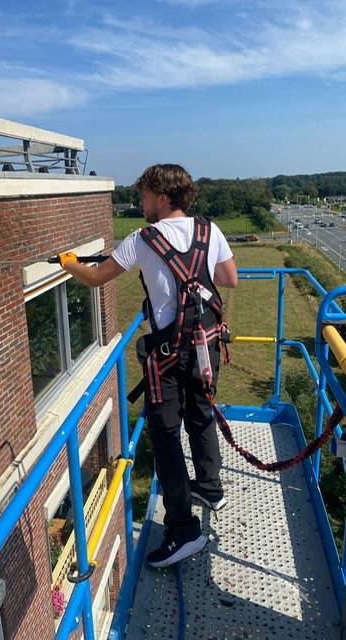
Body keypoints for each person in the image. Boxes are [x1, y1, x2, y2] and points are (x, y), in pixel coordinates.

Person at [57, 164, 238, 568]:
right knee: (202, 413)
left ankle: (183, 530)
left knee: (166, 436)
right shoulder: (209, 230)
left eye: (143, 197)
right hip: (206, 345)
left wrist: (70, 264)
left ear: (161, 197)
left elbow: (96, 277)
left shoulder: (142, 240)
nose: (140, 204)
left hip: (168, 356)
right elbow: (230, 278)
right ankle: (210, 487)